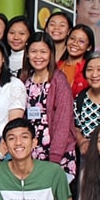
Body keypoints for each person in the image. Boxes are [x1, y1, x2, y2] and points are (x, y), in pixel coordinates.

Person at [21, 32, 76, 181]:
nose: (38, 56)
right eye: (33, 51)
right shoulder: (24, 79)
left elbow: (63, 123)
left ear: (51, 54)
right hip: (29, 152)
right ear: (27, 54)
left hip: (57, 153)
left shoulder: (59, 80)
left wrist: (54, 160)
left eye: (43, 52)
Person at [58, 24, 94, 97]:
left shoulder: (90, 70)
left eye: (81, 41)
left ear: (89, 47)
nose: (75, 43)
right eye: (72, 38)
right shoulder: (56, 66)